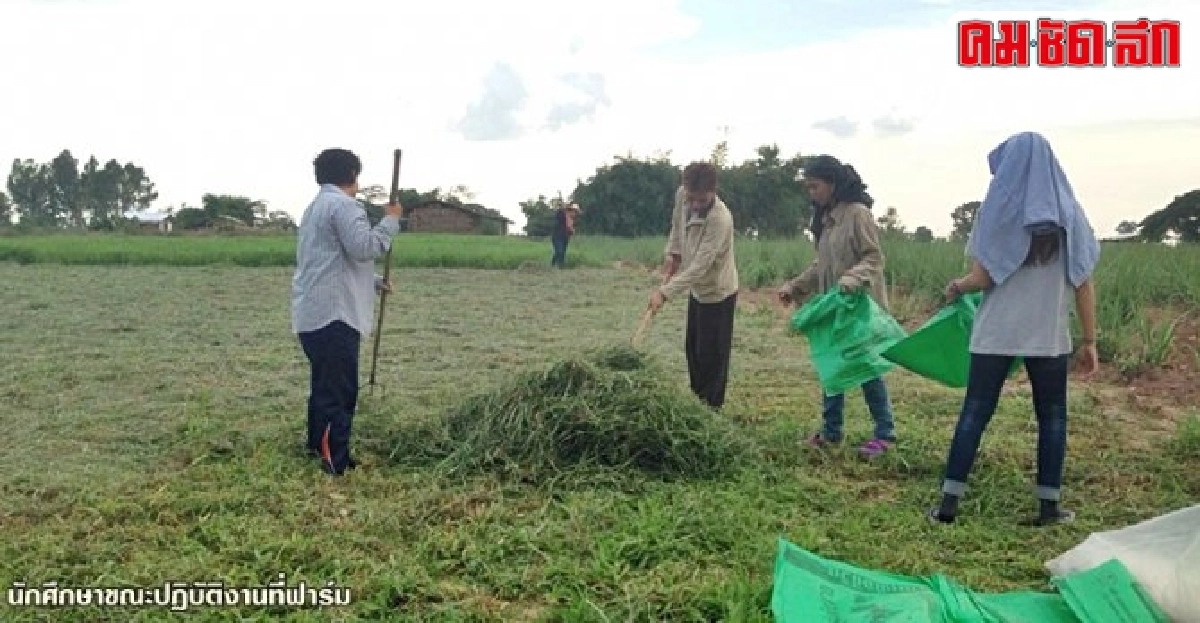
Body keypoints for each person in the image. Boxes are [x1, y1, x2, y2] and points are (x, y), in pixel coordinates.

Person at [929, 131, 1100, 526]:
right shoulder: (1071, 216)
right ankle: (1048, 508)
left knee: (975, 411)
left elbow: (984, 276)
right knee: (1053, 416)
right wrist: (1089, 340)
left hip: (996, 333)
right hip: (1049, 336)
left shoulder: (996, 211)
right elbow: (1084, 281)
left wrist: (958, 286)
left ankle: (948, 507)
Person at [291, 148, 404, 476]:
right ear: (353, 174)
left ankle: (318, 445)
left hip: (314, 311)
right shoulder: (343, 206)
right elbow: (366, 247)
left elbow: (333, 261)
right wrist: (391, 220)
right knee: (340, 390)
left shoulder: (315, 208)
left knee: (325, 385)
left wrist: (373, 281)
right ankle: (334, 459)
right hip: (335, 315)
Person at [776, 155, 897, 458]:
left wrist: (852, 279)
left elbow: (874, 259)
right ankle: (831, 432)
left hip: (860, 308)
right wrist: (795, 286)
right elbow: (821, 265)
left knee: (867, 369)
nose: (811, 192)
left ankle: (885, 433)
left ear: (832, 184)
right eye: (808, 187)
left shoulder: (858, 215)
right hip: (835, 307)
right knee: (831, 367)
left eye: (815, 186)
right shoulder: (826, 222)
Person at [651, 161, 739, 410]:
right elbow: (677, 227)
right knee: (694, 351)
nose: (695, 205)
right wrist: (673, 253)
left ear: (713, 191)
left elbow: (700, 266)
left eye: (701, 200)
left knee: (713, 357)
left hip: (718, 292)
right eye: (692, 198)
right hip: (697, 292)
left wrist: (665, 293)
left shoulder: (720, 219)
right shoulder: (683, 196)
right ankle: (696, 403)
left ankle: (712, 410)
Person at [551, 203, 581, 268]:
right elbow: (558, 214)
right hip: (557, 237)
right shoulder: (562, 215)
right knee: (559, 251)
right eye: (574, 212)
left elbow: (570, 230)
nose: (575, 214)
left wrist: (572, 230)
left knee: (562, 253)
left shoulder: (572, 220)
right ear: (570, 210)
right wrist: (562, 209)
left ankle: (557, 265)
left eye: (576, 212)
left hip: (565, 238)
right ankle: (557, 265)